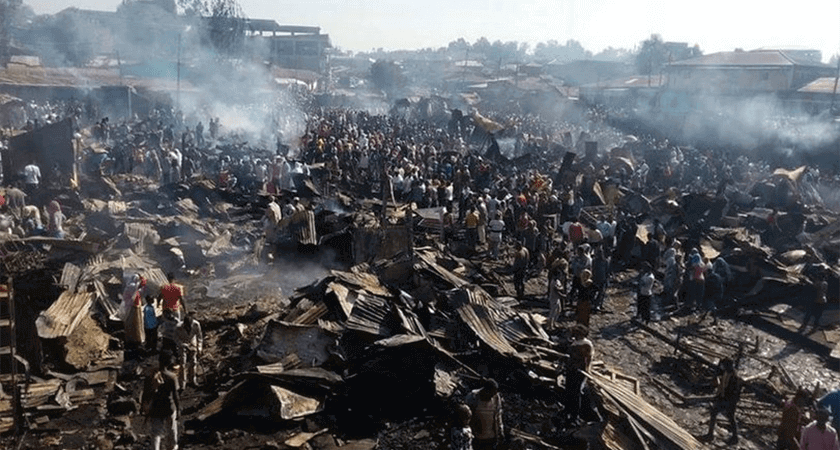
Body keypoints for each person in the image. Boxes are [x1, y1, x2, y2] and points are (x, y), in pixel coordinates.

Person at [141, 350, 181, 450]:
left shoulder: (150, 376)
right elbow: (175, 395)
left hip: (155, 408)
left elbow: (145, 394)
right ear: (169, 363)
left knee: (156, 433)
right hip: (169, 407)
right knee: (171, 431)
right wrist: (179, 408)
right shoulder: (172, 377)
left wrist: (143, 406)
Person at [703, 357, 741, 444]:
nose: (723, 367)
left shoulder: (734, 377)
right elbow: (722, 383)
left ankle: (710, 435)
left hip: (729, 400)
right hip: (725, 398)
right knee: (730, 417)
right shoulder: (727, 372)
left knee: (716, 413)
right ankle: (734, 438)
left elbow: (733, 391)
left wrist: (724, 399)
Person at [563, 324, 593, 425]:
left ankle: (575, 416)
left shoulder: (585, 344)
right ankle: (567, 410)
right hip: (570, 369)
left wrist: (587, 369)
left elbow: (589, 358)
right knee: (568, 390)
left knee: (576, 393)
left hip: (578, 371)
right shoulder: (575, 342)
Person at [466, 379, 504, 450]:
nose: (492, 396)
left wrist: (500, 430)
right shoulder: (473, 397)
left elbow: (498, 415)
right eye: (491, 394)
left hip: (491, 437)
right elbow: (466, 414)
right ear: (485, 390)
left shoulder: (496, 398)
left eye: (494, 394)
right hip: (476, 437)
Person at [180, 314, 203, 387]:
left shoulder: (196, 325)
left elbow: (199, 337)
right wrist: (182, 344)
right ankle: (183, 382)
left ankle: (193, 379)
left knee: (193, 362)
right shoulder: (178, 327)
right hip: (183, 343)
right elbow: (176, 338)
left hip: (193, 343)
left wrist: (199, 348)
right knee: (182, 363)